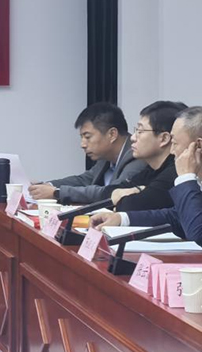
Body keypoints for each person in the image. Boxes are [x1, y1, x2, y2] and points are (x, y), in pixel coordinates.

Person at [91, 106, 202, 244]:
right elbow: (176, 216)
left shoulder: (185, 178)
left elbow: (198, 235)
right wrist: (122, 218)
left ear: (198, 146)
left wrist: (186, 178)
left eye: (175, 143)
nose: (172, 151)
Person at [29, 103, 147, 204]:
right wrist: (47, 186)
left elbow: (112, 192)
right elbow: (84, 180)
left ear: (112, 134)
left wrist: (57, 193)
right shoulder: (106, 157)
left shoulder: (137, 156)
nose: (83, 144)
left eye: (87, 137)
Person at [107, 100, 186, 212]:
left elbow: (130, 206)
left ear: (164, 138)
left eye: (140, 131)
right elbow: (109, 193)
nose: (132, 137)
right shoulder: (150, 169)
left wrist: (133, 193)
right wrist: (137, 190)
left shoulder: (175, 171)